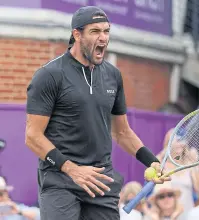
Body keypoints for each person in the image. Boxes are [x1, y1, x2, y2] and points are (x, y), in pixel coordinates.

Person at [25, 6, 170, 220]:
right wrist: (73, 169)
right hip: (60, 181)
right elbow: (32, 136)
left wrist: (152, 161)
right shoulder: (49, 75)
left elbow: (122, 132)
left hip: (100, 181)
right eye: (95, 31)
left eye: (106, 31)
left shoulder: (113, 75)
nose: (103, 38)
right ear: (77, 34)